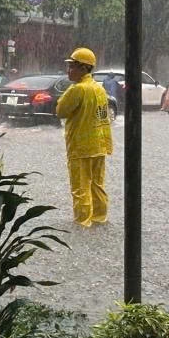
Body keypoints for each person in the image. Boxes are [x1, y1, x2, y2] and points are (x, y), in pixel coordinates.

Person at [55, 48, 113, 227]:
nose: (68, 70)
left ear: (82, 68)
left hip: (81, 146)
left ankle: (83, 223)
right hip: (100, 144)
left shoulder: (78, 89)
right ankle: (99, 218)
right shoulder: (99, 89)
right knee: (97, 184)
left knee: (80, 188)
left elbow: (60, 111)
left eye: (71, 66)